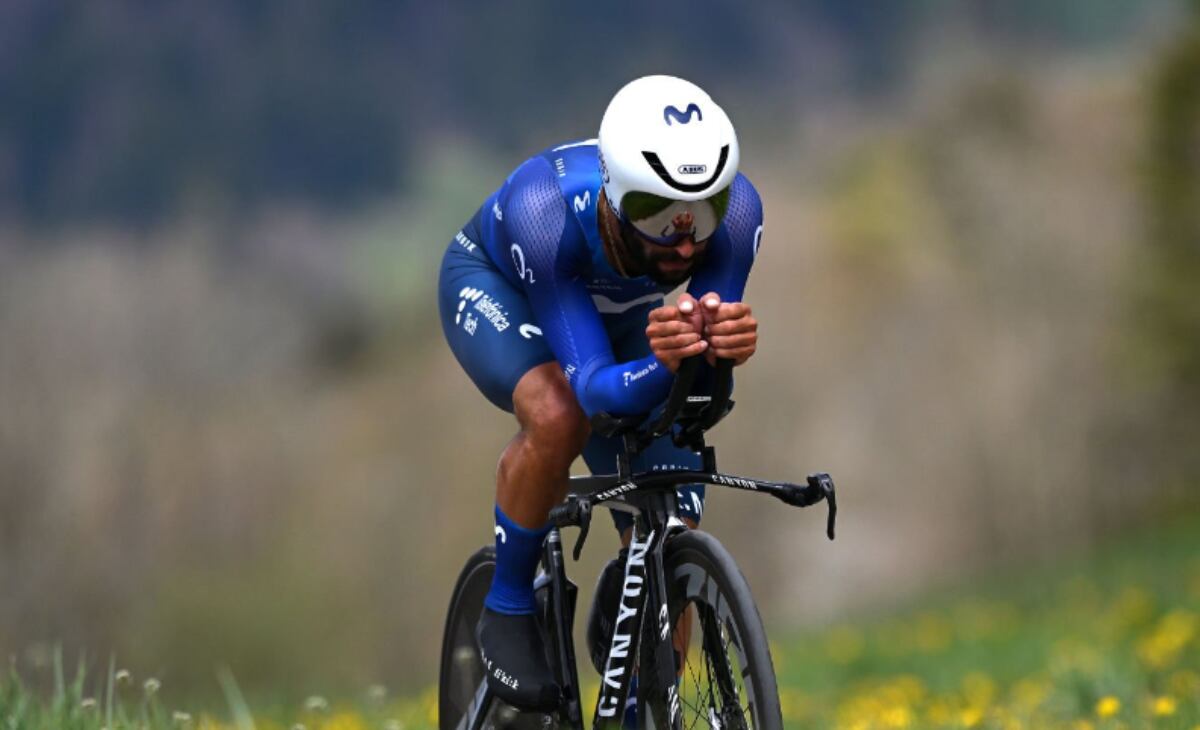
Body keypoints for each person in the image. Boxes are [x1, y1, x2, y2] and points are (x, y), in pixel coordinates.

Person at [437, 75, 763, 718]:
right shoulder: (545, 209)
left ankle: (645, 673)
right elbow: (592, 392)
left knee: (674, 495)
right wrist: (668, 362)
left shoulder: (740, 212)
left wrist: (719, 350)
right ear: (614, 198)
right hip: (510, 290)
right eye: (658, 214)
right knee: (558, 415)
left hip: (617, 319)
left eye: (703, 211)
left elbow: (699, 389)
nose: (687, 239)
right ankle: (507, 607)